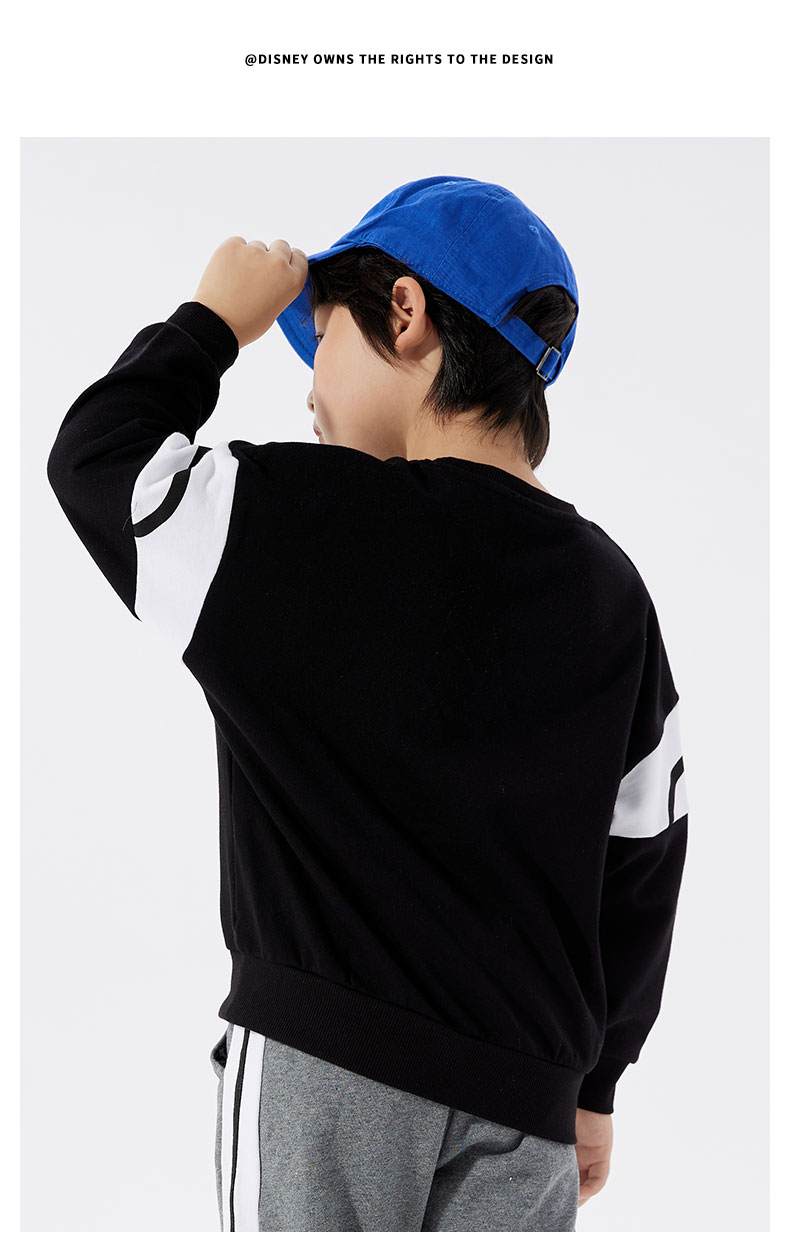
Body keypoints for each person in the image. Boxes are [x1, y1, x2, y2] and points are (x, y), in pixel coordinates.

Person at [46, 175, 689, 1232]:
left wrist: (212, 322)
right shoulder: (614, 595)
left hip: (325, 1065)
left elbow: (99, 459)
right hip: (526, 1096)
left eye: (322, 339)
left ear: (405, 312)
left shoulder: (300, 523)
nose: (310, 389)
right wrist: (599, 1079)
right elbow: (644, 852)